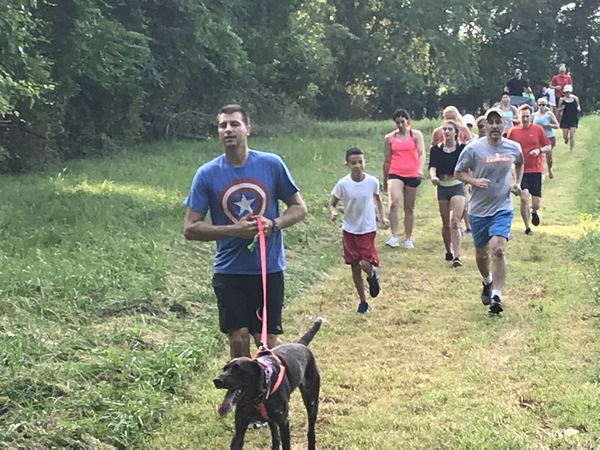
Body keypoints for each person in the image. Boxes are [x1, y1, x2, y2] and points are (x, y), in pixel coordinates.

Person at [182, 104, 307, 359]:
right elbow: (190, 228)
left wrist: (274, 224)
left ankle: (270, 394)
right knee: (237, 336)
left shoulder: (271, 164)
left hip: (268, 267)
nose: (228, 130)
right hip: (229, 269)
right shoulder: (207, 174)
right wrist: (233, 231)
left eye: (234, 124)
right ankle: (243, 396)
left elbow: (299, 208)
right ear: (218, 132)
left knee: (267, 339)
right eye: (223, 125)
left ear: (247, 129)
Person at [454, 107, 524, 315]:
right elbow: (458, 172)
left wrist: (517, 183)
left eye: (498, 122)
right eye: (490, 122)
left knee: (498, 249)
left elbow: (520, 162)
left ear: (504, 125)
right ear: (484, 126)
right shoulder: (473, 149)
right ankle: (487, 281)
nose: (494, 126)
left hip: (502, 206)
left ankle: (497, 295)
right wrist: (474, 181)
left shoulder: (513, 147)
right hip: (478, 210)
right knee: (481, 254)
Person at [329, 147, 389, 313]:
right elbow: (332, 203)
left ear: (365, 163)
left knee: (364, 263)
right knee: (354, 266)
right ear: (347, 164)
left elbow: (377, 199)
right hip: (349, 229)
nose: (357, 165)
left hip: (367, 228)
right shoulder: (343, 184)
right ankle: (362, 301)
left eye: (360, 162)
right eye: (353, 163)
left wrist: (382, 217)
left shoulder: (372, 182)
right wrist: (333, 212)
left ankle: (372, 275)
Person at [383, 109, 426, 249]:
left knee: (409, 207)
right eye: (397, 122)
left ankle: (408, 238)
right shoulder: (389, 138)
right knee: (393, 202)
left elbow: (421, 154)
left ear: (408, 121)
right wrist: (385, 179)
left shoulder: (416, 135)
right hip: (395, 172)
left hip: (412, 173)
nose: (400, 125)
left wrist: (420, 169)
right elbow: (387, 160)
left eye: (403, 122)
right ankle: (394, 235)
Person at [506, 105, 551, 235]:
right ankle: (527, 227)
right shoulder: (513, 132)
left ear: (531, 116)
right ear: (518, 116)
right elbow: (507, 149)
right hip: (520, 169)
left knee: (535, 202)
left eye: (527, 116)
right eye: (523, 116)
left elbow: (548, 145)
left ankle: (534, 211)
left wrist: (539, 150)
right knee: (524, 197)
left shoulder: (537, 129)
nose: (525, 119)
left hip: (535, 169)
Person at [428, 120, 467, 267]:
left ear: (456, 132)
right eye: (444, 129)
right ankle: (448, 250)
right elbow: (432, 167)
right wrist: (433, 177)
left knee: (454, 222)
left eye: (450, 129)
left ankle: (457, 256)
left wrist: (469, 182)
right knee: (445, 224)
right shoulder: (436, 150)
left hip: (457, 185)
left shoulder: (462, 149)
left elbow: (468, 167)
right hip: (442, 187)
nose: (447, 132)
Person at [533, 97, 559, 179]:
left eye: (543, 105)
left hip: (549, 137)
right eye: (540, 105)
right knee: (541, 156)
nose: (541, 106)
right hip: (538, 138)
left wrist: (548, 125)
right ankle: (541, 174)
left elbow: (557, 126)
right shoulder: (534, 115)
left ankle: (550, 168)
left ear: (546, 105)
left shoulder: (549, 114)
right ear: (537, 105)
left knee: (549, 157)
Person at [557, 84, 581, 153]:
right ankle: (566, 139)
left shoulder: (575, 98)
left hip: (573, 118)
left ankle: (571, 149)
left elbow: (578, 106)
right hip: (565, 119)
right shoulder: (561, 100)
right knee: (565, 136)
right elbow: (558, 110)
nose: (567, 94)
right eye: (566, 92)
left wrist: (578, 108)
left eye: (568, 92)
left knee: (572, 136)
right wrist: (561, 109)